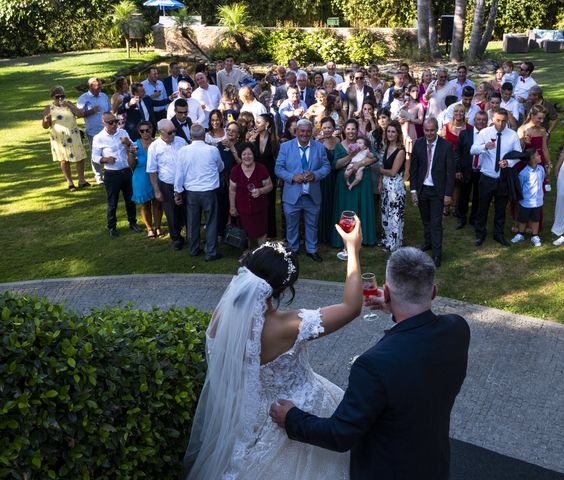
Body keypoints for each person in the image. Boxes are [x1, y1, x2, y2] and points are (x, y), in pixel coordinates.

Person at [185, 216, 364, 479]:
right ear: (283, 288)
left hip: (256, 411)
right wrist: (352, 250)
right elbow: (352, 307)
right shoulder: (290, 325)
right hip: (301, 408)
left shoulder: (223, 317)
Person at [270, 247, 470, 480]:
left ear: (385, 290)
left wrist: (292, 418)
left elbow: (340, 434)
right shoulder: (458, 329)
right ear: (433, 291)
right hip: (433, 464)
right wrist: (395, 307)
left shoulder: (373, 365)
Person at [275, 119, 331, 262]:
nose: (305, 134)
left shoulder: (319, 147)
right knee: (291, 225)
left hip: (312, 194)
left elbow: (326, 167)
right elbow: (278, 168)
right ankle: (292, 250)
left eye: (308, 131)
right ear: (296, 132)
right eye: (302, 131)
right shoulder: (285, 147)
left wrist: (316, 175)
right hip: (292, 194)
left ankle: (312, 250)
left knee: (312, 225)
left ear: (311, 132)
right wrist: (292, 177)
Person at [470, 108, 522, 246]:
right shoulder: (485, 133)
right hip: (487, 177)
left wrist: (508, 162)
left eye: (504, 121)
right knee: (483, 208)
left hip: (503, 178)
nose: (500, 124)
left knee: (500, 209)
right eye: (498, 120)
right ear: (493, 119)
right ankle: (480, 234)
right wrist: (484, 147)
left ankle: (498, 235)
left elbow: (518, 155)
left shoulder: (512, 135)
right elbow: (472, 150)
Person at [173, 124, 224, 261]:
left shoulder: (183, 151)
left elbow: (179, 174)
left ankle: (193, 248)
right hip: (209, 191)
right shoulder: (212, 150)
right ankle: (211, 251)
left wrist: (177, 192)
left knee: (192, 221)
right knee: (211, 221)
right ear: (203, 135)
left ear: (191, 136)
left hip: (192, 192)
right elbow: (220, 167)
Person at [409, 117, 455, 268]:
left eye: (432, 130)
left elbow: (450, 172)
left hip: (437, 191)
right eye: (426, 130)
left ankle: (436, 254)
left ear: (437, 129)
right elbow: (414, 170)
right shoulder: (418, 144)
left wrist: (448, 194)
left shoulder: (446, 146)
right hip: (422, 189)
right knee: (426, 220)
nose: (429, 133)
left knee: (436, 223)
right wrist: (414, 190)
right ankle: (428, 243)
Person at [91, 112, 142, 237]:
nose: (114, 124)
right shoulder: (98, 138)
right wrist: (105, 159)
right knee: (112, 201)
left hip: (126, 171)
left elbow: (133, 147)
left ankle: (133, 222)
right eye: (111, 122)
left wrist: (128, 144)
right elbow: (94, 157)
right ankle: (112, 227)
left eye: (116, 121)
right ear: (104, 123)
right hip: (112, 174)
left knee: (130, 199)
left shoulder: (123, 133)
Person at [331, 119, 377, 249]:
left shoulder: (362, 143)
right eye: (348, 129)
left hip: (362, 180)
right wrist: (350, 156)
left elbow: (374, 158)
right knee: (346, 208)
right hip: (344, 181)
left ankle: (364, 237)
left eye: (353, 129)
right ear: (344, 130)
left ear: (357, 130)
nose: (351, 131)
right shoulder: (340, 145)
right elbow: (335, 165)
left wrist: (359, 164)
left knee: (362, 206)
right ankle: (344, 238)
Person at [147, 118, 189, 250]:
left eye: (174, 131)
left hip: (185, 184)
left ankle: (191, 235)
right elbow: (152, 170)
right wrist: (157, 190)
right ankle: (176, 238)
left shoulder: (182, 142)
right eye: (170, 132)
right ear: (161, 132)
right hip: (167, 184)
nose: (173, 135)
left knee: (188, 211)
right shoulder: (154, 147)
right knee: (171, 214)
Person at [42, 86, 90, 191]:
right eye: (57, 96)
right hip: (60, 138)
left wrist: (68, 105)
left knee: (80, 158)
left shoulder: (69, 104)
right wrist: (46, 120)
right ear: (53, 97)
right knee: (64, 160)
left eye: (62, 96)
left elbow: (80, 114)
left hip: (73, 135)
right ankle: (70, 183)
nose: (60, 99)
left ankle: (81, 180)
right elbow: (45, 126)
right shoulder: (48, 108)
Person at [230, 142, 274, 256]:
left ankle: (263, 254)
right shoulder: (235, 170)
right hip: (243, 208)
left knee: (261, 232)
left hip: (260, 208)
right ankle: (246, 254)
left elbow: (270, 186)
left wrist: (260, 191)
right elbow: (232, 190)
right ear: (240, 155)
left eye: (249, 154)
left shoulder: (261, 169)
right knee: (244, 232)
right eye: (244, 154)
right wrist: (232, 207)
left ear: (254, 155)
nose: (247, 157)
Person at [516, 104, 552, 231]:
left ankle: (534, 224)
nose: (542, 121)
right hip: (525, 163)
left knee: (538, 191)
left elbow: (544, 148)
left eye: (543, 119)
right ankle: (520, 223)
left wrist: (548, 163)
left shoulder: (542, 131)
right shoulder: (522, 130)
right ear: (532, 116)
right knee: (525, 192)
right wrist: (523, 142)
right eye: (539, 118)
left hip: (539, 161)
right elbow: (518, 150)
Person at [127, 121, 163, 238]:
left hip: (156, 175)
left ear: (152, 130)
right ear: (139, 132)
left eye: (147, 130)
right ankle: (149, 228)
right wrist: (131, 154)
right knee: (145, 205)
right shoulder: (135, 145)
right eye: (142, 131)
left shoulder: (158, 143)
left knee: (157, 204)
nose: (145, 133)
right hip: (141, 176)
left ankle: (158, 227)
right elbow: (131, 165)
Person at [455, 110, 488, 230]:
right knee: (464, 195)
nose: (481, 122)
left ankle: (474, 218)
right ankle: (461, 217)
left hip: (482, 171)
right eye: (479, 119)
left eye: (484, 120)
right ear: (474, 121)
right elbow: (457, 152)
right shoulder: (465, 133)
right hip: (467, 170)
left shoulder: (490, 135)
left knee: (478, 196)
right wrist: (458, 169)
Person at [316, 116, 347, 244]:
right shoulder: (318, 143)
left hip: (337, 178)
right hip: (323, 179)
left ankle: (336, 234)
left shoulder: (339, 142)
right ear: (321, 129)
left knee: (336, 205)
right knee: (324, 205)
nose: (327, 130)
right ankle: (324, 235)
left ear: (334, 128)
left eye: (329, 127)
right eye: (324, 128)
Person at [77, 77, 111, 184]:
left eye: (100, 85)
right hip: (93, 131)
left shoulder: (104, 96)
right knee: (95, 153)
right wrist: (92, 111)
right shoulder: (83, 98)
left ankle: (108, 173)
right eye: (97, 85)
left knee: (108, 151)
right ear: (91, 86)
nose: (100, 87)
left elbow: (109, 110)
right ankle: (98, 176)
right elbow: (79, 114)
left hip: (106, 130)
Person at [379, 121, 406, 252]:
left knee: (395, 215)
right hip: (385, 185)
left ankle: (394, 244)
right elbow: (385, 168)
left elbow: (392, 172)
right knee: (386, 213)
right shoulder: (387, 146)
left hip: (395, 187)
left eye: (393, 132)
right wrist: (380, 181)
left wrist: (378, 170)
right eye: (388, 131)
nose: (390, 134)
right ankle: (385, 240)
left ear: (398, 134)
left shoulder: (400, 151)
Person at [252, 113, 280, 238]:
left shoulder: (274, 140)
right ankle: (257, 230)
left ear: (267, 124)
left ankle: (270, 232)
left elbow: (278, 160)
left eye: (258, 122)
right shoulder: (253, 138)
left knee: (270, 203)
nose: (255, 125)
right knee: (257, 202)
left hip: (270, 175)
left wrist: (278, 177)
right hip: (256, 174)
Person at [510, 149, 545, 247]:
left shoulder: (541, 169)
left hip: (538, 201)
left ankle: (535, 235)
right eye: (538, 155)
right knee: (523, 219)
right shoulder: (523, 173)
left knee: (536, 219)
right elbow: (520, 187)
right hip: (526, 201)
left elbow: (541, 181)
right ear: (532, 159)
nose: (540, 156)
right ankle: (520, 234)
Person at [216, 121, 242, 235]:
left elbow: (241, 163)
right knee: (222, 207)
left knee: (236, 207)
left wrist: (232, 147)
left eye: (234, 131)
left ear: (238, 134)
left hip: (236, 181)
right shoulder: (220, 145)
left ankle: (238, 232)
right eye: (229, 130)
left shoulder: (241, 146)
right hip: (222, 181)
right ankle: (221, 232)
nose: (230, 132)